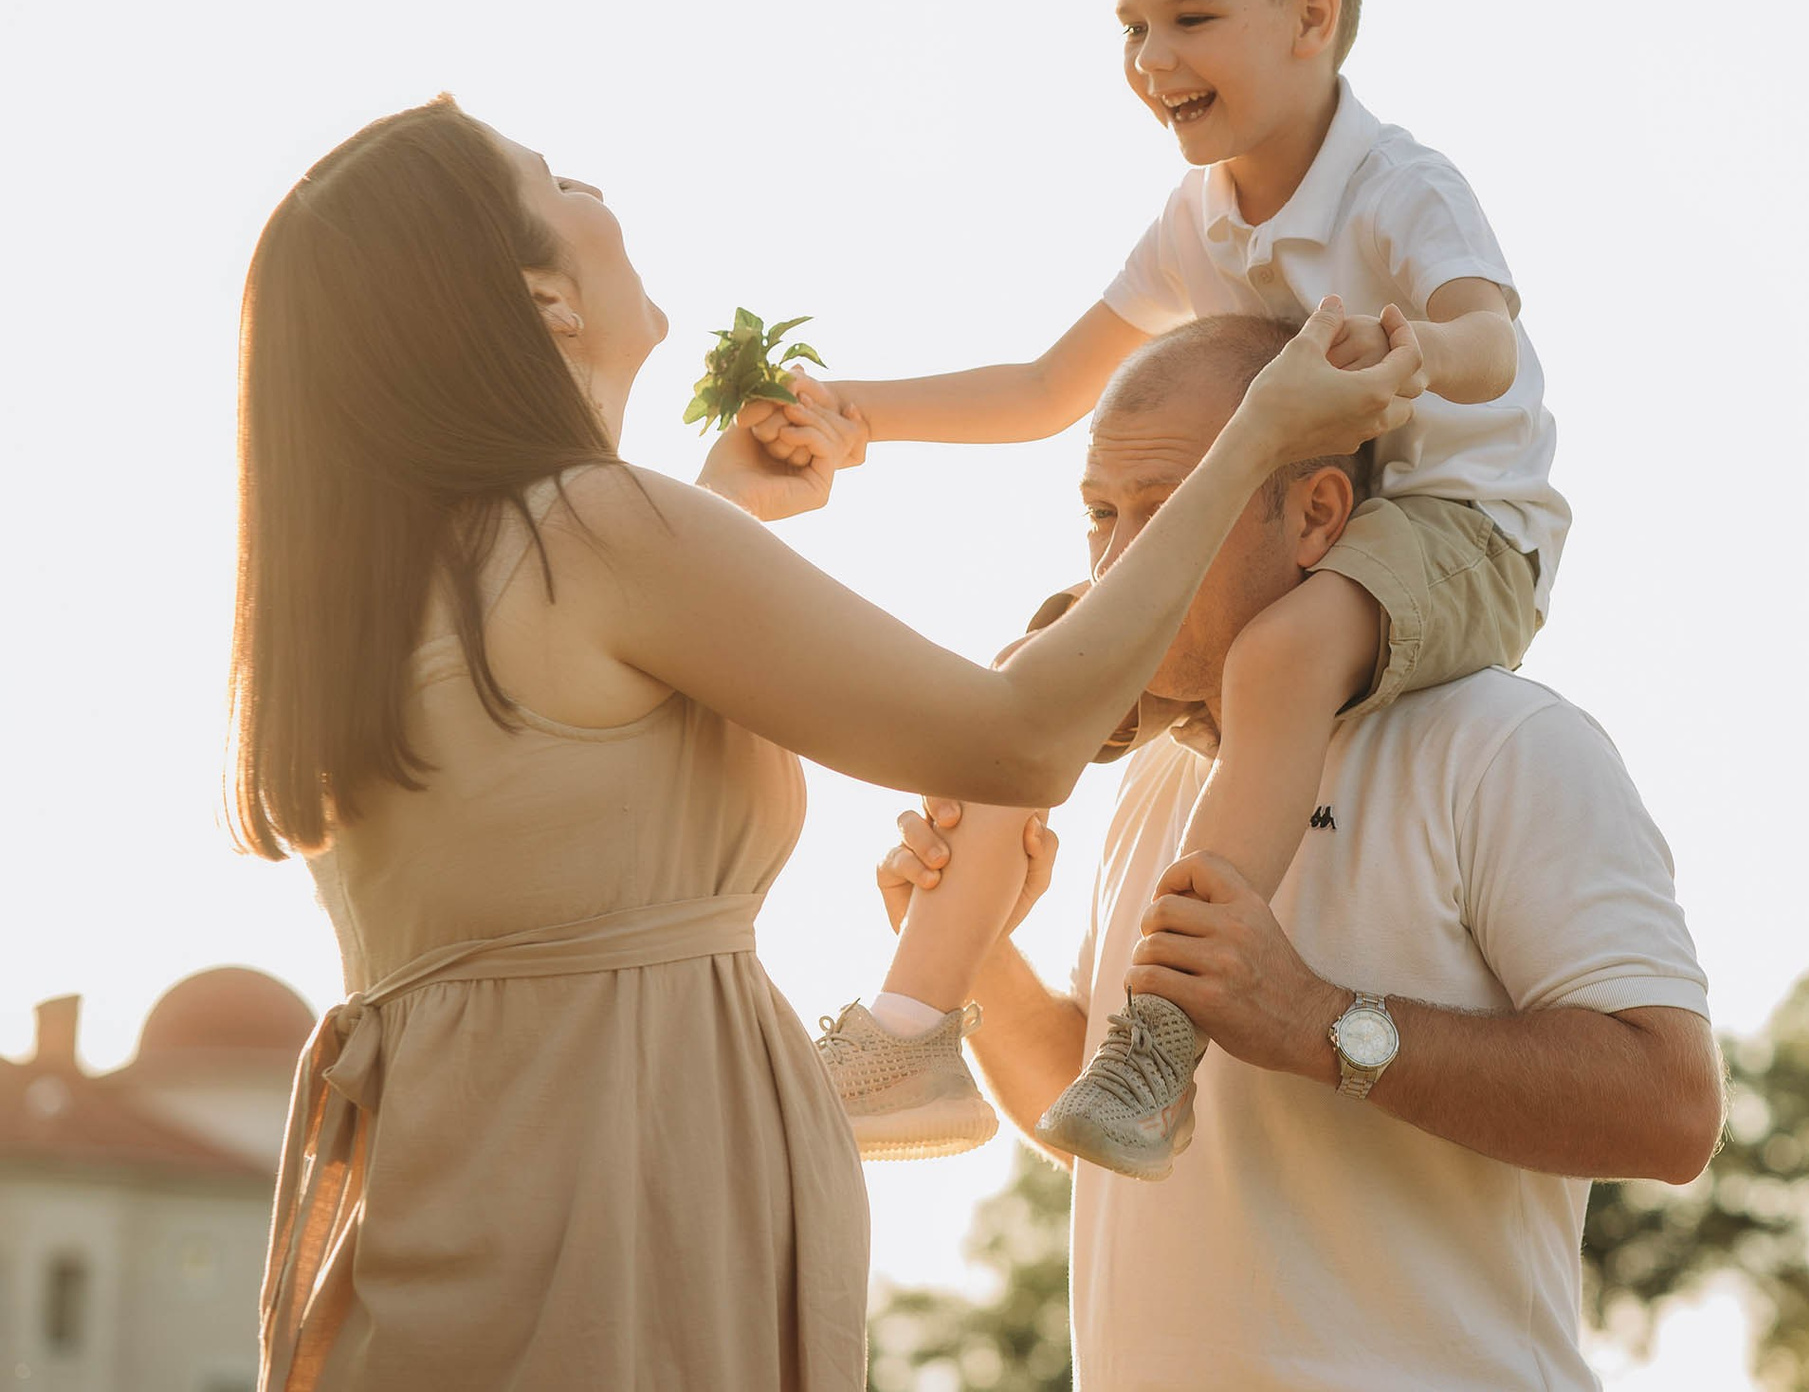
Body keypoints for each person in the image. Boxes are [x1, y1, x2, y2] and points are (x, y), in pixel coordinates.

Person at [228, 97, 1418, 1389]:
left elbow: (580, 747)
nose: (598, 192)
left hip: (490, 1208)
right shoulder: (594, 531)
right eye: (560, 181)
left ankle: (908, 1033)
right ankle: (908, 1037)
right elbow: (1021, 737)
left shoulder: (426, 583)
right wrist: (1258, 432)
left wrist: (724, 503)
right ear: (546, 302)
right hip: (607, 1240)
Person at [800, 0, 1570, 1181]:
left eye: (1191, 19)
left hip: (1457, 526)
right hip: (1266, 526)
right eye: (1132, 25)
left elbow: (1490, 342)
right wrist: (863, 407)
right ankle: (908, 1028)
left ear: (1311, 16)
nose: (1154, 62)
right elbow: (1051, 382)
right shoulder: (1197, 217)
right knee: (1033, 679)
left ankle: (1157, 1046)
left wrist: (1408, 354)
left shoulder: (1400, 187)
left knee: (1279, 652)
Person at [873, 316, 1721, 1391]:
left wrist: (1319, 1025)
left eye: (1171, 506)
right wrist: (981, 955)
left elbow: (1671, 1109)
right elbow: (1108, 1126)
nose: (1118, 560)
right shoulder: (1159, 774)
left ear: (1318, 513)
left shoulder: (1506, 742)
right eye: (1100, 515)